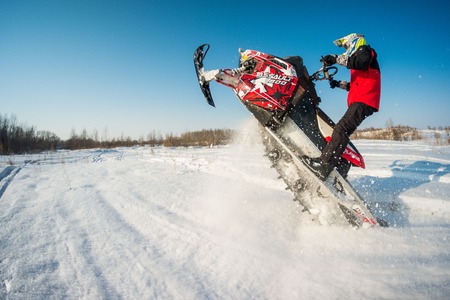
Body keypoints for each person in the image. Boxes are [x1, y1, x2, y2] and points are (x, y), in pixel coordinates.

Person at [302, 33, 381, 180]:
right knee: (341, 130)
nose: (346, 49)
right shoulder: (362, 62)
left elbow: (359, 62)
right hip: (362, 99)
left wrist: (335, 58)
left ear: (354, 42)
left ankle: (324, 164)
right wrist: (338, 84)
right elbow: (356, 85)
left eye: (346, 46)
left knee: (341, 129)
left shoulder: (365, 51)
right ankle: (341, 165)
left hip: (365, 100)